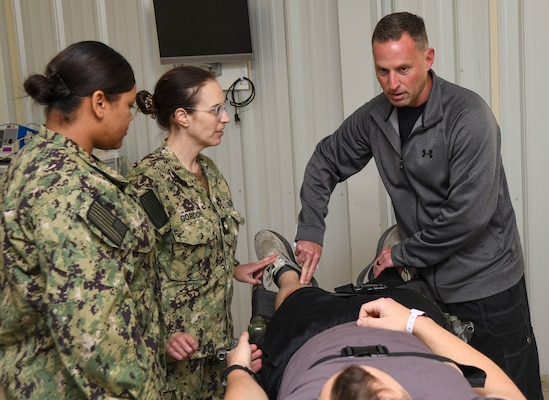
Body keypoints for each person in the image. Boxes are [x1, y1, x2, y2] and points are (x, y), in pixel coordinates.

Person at [293, 11, 542, 399]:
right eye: (382, 71)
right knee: (446, 388)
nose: (393, 83)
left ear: (428, 59)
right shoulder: (375, 117)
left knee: (508, 387)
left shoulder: (468, 116)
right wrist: (311, 231)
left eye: (404, 69)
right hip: (428, 289)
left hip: (487, 288)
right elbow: (326, 159)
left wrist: (402, 253)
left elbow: (468, 215)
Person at [0, 41, 164, 399]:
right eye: (128, 105)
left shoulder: (36, 160)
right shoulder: (68, 188)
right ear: (100, 102)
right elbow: (93, 329)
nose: (131, 117)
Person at [222, 230, 526, 400]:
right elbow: (506, 393)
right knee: (400, 292)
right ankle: (389, 270)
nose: (353, 379)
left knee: (295, 299)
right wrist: (412, 321)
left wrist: (237, 370)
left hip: (309, 339)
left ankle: (285, 272)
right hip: (400, 330)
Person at [128, 65, 276, 400]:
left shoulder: (209, 171)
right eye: (215, 110)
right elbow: (131, 276)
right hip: (172, 364)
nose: (225, 118)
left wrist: (233, 267)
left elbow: (186, 251)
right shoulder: (148, 181)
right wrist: (160, 337)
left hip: (214, 351)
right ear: (182, 116)